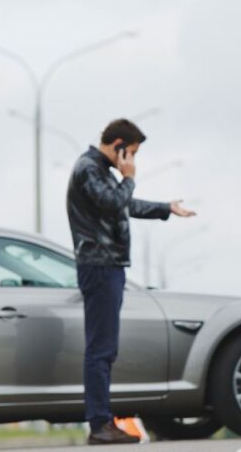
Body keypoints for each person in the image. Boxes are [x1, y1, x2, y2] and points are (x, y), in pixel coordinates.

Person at [66, 118, 196, 445]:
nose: (133, 161)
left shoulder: (100, 172)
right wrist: (129, 177)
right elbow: (114, 202)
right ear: (119, 145)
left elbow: (125, 205)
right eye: (132, 153)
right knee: (101, 349)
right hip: (99, 265)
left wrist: (166, 208)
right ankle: (99, 424)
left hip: (108, 265)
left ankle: (102, 421)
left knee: (105, 349)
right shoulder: (88, 169)